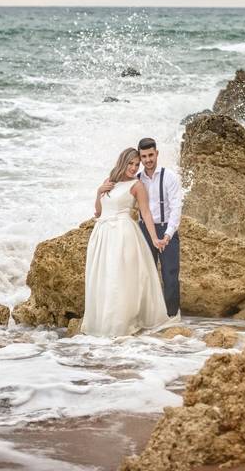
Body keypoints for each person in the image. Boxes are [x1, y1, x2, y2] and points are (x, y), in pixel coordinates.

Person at [81, 147, 171, 337]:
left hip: (123, 234)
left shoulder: (137, 185)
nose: (133, 168)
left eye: (136, 165)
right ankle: (103, 324)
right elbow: (98, 212)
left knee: (118, 278)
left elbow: (145, 213)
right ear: (123, 162)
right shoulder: (109, 182)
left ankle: (120, 325)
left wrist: (155, 238)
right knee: (104, 278)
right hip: (102, 233)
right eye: (131, 163)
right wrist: (99, 192)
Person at [98, 137, 183, 319]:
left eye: (150, 155)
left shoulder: (170, 177)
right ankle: (147, 316)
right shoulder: (134, 179)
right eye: (143, 157)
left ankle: (171, 317)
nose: (147, 160)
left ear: (157, 153)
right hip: (142, 231)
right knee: (144, 275)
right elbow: (124, 203)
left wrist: (167, 235)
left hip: (166, 228)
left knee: (170, 275)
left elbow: (176, 209)